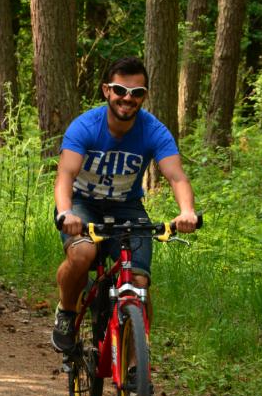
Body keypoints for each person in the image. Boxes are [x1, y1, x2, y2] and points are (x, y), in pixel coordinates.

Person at [51, 56, 199, 354]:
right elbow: (65, 175)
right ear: (107, 90)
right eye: (120, 90)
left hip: (126, 207)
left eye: (137, 92)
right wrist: (66, 212)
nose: (128, 98)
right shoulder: (86, 126)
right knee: (82, 253)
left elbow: (176, 177)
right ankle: (66, 311)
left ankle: (135, 367)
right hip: (82, 203)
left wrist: (186, 211)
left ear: (145, 96)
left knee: (139, 282)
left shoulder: (154, 130)